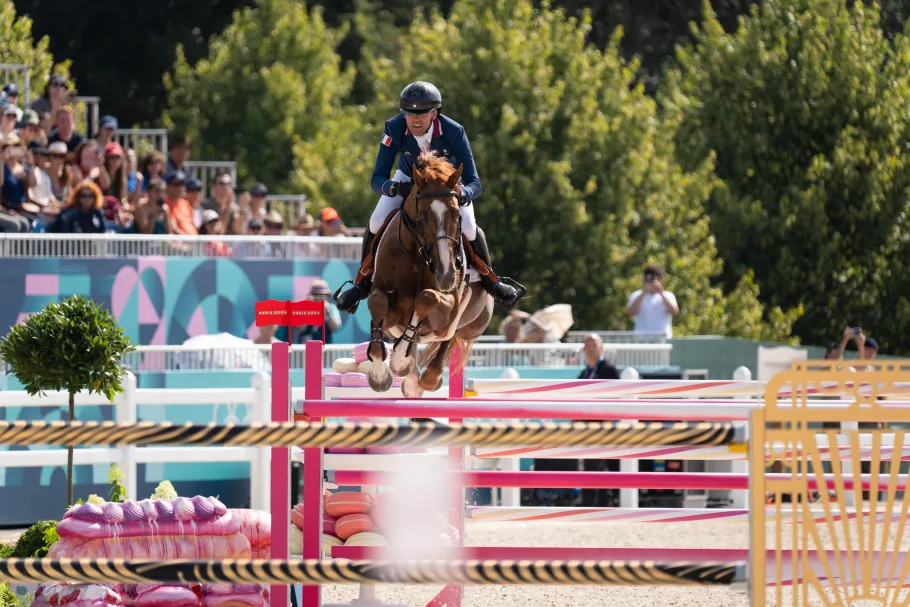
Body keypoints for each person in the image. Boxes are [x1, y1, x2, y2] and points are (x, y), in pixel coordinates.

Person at [334, 81, 523, 313]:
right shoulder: (393, 128)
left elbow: (475, 182)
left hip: (446, 185)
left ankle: (491, 280)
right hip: (407, 180)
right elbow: (377, 178)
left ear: (434, 113)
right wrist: (393, 188)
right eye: (409, 114)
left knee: (471, 228)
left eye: (422, 114)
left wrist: (464, 194)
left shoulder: (454, 131)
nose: (415, 120)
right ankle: (361, 283)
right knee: (375, 222)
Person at [627, 265, 679, 338]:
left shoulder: (668, 295)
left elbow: (674, 312)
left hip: (663, 339)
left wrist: (661, 293)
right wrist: (644, 292)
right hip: (641, 340)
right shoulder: (636, 295)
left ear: (661, 279)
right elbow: (630, 313)